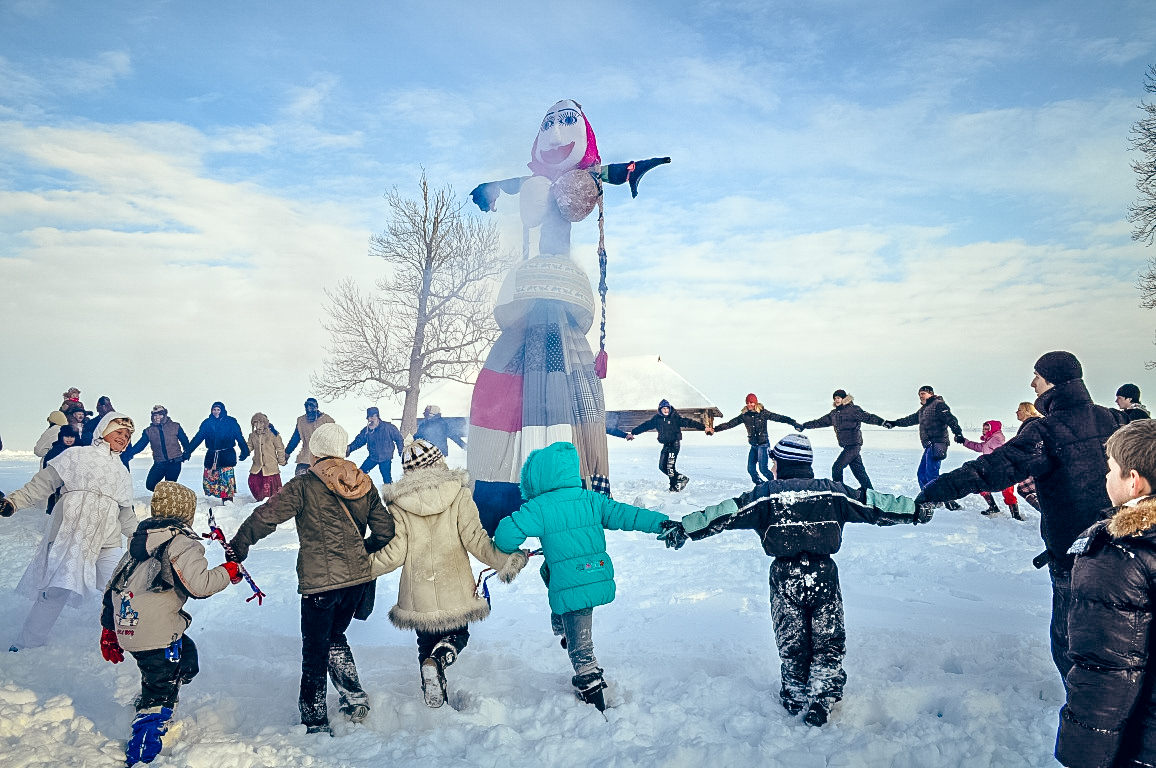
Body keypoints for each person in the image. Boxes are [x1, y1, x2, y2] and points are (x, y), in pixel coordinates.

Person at [659, 433, 932, 727]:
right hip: (823, 575)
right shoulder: (833, 492)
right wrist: (915, 510)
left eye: (774, 462)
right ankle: (823, 696)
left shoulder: (766, 495)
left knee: (792, 640)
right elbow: (874, 504)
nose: (771, 467)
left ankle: (795, 695)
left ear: (784, 463)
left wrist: (686, 528)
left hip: (784, 577)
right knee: (828, 637)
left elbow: (726, 512)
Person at [915, 351, 1128, 679]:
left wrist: (934, 490)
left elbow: (992, 468)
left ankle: (1084, 703)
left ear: (1053, 381)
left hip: (1074, 556)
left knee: (1071, 642)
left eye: (1037, 376)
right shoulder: (1115, 420)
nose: (1032, 383)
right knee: (1127, 633)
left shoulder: (1046, 432)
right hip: (1125, 549)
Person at [228, 423, 394, 734]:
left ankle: (315, 719)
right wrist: (360, 550)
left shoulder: (303, 485)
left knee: (315, 650)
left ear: (315, 451)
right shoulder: (364, 483)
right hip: (356, 582)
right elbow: (385, 532)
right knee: (335, 636)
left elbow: (266, 516)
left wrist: (238, 547)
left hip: (320, 584)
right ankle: (354, 697)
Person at [493, 441, 669, 711]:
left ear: (537, 477)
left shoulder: (539, 507)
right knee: (563, 598)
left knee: (581, 643)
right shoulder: (592, 499)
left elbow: (505, 536)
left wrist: (512, 549)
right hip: (595, 572)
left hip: (573, 583)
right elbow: (627, 515)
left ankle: (591, 686)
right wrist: (661, 523)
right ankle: (565, 630)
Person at [370, 438, 527, 708]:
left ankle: (433, 692)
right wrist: (508, 560)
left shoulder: (399, 504)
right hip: (453, 589)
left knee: (425, 644)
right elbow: (477, 541)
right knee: (458, 635)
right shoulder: (458, 494)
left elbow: (394, 554)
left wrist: (361, 567)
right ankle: (441, 657)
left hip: (418, 592)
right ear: (438, 462)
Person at [99, 481, 243, 766]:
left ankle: (159, 689)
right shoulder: (181, 543)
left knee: (185, 656)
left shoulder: (139, 543)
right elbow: (199, 585)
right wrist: (228, 571)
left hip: (130, 626)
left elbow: (112, 588)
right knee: (161, 682)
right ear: (185, 514)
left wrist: (110, 630)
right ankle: (144, 745)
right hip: (157, 633)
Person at [1055, 419, 1156, 767]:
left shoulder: (1120, 554)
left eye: (1111, 469)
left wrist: (1085, 757)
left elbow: (1107, 669)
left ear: (1133, 480)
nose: (1106, 477)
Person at [0, 412, 137, 651]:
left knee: (122, 588)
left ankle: (132, 642)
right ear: (104, 430)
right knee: (55, 591)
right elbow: (42, 483)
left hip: (107, 541)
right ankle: (27, 642)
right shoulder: (76, 455)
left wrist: (142, 537)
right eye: (119, 431)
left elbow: (125, 514)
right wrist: (14, 501)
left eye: (127, 435)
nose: (123, 438)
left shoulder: (122, 472)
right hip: (70, 537)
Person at [889, 385, 965, 509]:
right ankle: (932, 497)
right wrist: (895, 423)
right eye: (919, 394)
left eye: (923, 394)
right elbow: (910, 420)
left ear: (931, 394)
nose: (921, 396)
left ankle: (939, 500)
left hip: (938, 443)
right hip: (929, 445)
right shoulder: (924, 410)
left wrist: (958, 433)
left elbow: (951, 419)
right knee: (922, 474)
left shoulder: (938, 405)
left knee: (931, 475)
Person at [798, 390, 887, 490]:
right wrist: (804, 426)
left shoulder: (853, 410)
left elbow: (868, 417)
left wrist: (882, 422)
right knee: (859, 472)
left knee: (837, 468)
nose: (836, 400)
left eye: (839, 398)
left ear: (844, 399)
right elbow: (819, 422)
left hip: (853, 445)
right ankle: (870, 492)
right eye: (835, 398)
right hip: (847, 446)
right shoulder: (834, 414)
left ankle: (839, 491)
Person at [712, 393, 799, 484]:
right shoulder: (744, 415)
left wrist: (793, 422)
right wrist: (715, 429)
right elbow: (730, 424)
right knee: (751, 469)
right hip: (754, 446)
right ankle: (760, 485)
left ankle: (775, 484)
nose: (749, 405)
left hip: (763, 445)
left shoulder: (763, 413)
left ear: (756, 403)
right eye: (747, 403)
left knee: (763, 469)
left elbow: (779, 418)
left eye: (751, 402)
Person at [627, 399, 710, 492]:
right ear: (660, 410)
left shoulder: (675, 418)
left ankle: (674, 487)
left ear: (670, 409)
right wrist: (633, 432)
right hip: (666, 445)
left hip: (674, 444)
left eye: (667, 408)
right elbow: (645, 425)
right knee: (662, 467)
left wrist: (704, 427)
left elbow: (690, 422)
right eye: (663, 408)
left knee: (670, 467)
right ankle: (682, 478)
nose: (666, 410)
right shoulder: (657, 419)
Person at [185, 402, 249, 503]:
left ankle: (228, 502)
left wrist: (245, 451)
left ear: (222, 410)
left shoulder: (231, 422)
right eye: (214, 410)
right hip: (212, 455)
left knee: (226, 480)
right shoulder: (207, 423)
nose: (216, 412)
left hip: (226, 455)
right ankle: (212, 502)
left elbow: (239, 437)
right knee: (211, 480)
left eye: (218, 410)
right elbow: (198, 438)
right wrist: (188, 451)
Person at [958, 420, 1022, 519]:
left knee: (1007, 491)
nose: (984, 431)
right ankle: (994, 507)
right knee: (982, 487)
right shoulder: (989, 440)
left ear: (993, 429)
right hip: (991, 469)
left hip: (1002, 470)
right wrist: (964, 441)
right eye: (984, 429)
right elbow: (978, 447)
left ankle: (1015, 514)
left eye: (987, 429)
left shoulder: (996, 439)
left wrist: (987, 461)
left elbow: (999, 455)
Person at [124, 406, 191, 492]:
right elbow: (140, 445)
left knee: (170, 486)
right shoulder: (149, 431)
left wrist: (187, 453)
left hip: (174, 462)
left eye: (160, 415)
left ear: (165, 415)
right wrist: (128, 453)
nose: (157, 417)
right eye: (155, 415)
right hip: (159, 463)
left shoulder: (175, 426)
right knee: (150, 485)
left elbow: (185, 441)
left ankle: (171, 498)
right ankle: (164, 495)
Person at [346, 407, 404, 485]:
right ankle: (357, 489)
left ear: (376, 416)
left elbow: (399, 439)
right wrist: (350, 448)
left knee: (387, 479)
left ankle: (390, 492)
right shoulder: (367, 430)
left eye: (371, 416)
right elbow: (358, 442)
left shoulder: (388, 427)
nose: (369, 419)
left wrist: (401, 451)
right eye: (368, 417)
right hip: (373, 457)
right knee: (360, 474)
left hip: (385, 458)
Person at [284, 398, 335, 476]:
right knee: (301, 482)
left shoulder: (327, 420)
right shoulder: (301, 421)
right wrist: (287, 453)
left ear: (316, 407)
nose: (309, 408)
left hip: (322, 460)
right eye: (307, 406)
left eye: (311, 405)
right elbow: (295, 439)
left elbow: (334, 439)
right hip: (305, 460)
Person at [246, 413, 287, 502]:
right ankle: (260, 499)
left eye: (260, 422)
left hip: (270, 466)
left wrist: (281, 460)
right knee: (253, 481)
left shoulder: (273, 434)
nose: (257, 425)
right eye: (255, 422)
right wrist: (245, 451)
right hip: (257, 466)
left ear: (265, 423)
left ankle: (270, 501)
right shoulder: (252, 435)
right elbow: (249, 446)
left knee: (269, 485)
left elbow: (280, 448)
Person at [41, 425, 80, 515]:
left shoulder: (79, 450)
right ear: (61, 437)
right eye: (66, 436)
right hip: (57, 485)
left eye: (72, 436)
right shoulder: (55, 450)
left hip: (74, 484)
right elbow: (47, 467)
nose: (69, 439)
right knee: (56, 509)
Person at [1014, 402, 1044, 511]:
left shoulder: (1030, 425)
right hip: (1035, 464)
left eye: (1019, 410)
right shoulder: (1030, 424)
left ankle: (1048, 513)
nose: (1016, 412)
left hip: (1035, 464)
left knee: (1024, 489)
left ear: (1027, 411)